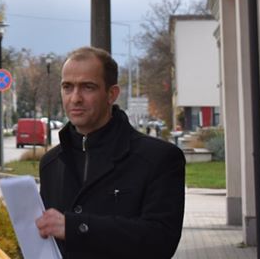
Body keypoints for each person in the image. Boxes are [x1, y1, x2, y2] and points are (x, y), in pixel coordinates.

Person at [35, 46, 185, 258]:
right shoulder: (51, 163)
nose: (75, 98)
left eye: (88, 87)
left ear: (111, 94)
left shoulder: (159, 158)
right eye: (67, 87)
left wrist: (77, 227)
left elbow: (160, 240)